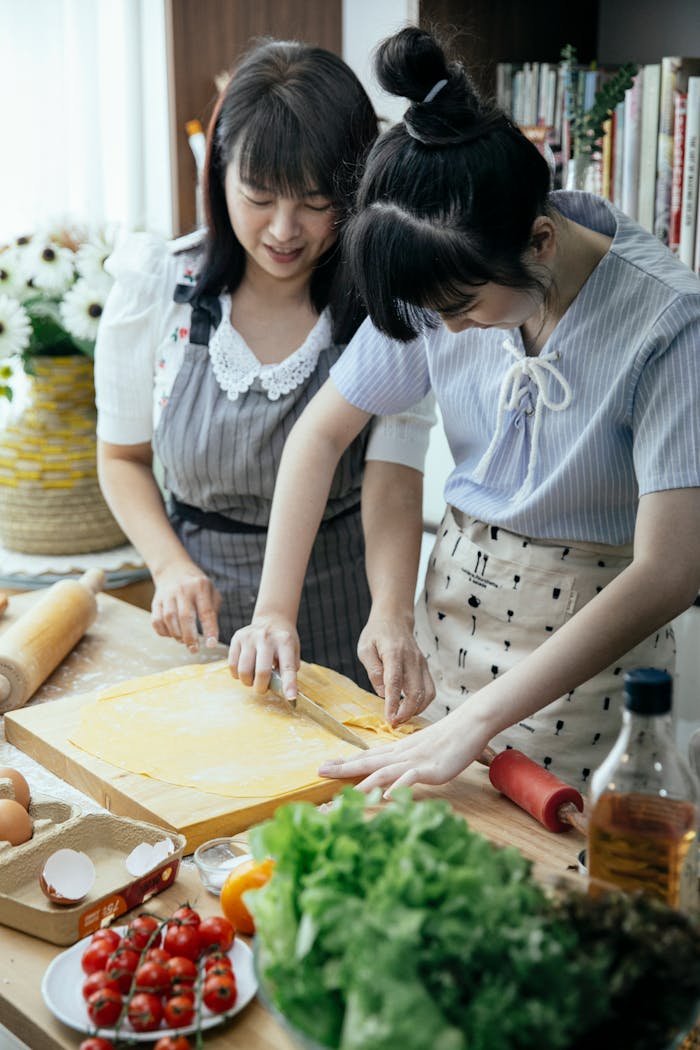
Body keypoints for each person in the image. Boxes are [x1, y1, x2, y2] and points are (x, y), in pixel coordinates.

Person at [229, 26, 700, 788]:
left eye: (463, 308)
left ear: (541, 241)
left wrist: (479, 720)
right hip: (451, 627)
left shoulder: (669, 323)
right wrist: (274, 610)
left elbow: (671, 570)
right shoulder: (442, 261)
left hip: (587, 668)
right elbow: (320, 435)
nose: (445, 332)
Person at [94, 38, 434, 686]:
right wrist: (168, 567)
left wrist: (393, 612)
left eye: (313, 202)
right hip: (199, 633)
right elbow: (121, 458)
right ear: (219, 171)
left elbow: (393, 480)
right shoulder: (155, 290)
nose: (283, 230)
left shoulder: (385, 308)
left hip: (341, 631)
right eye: (258, 196)